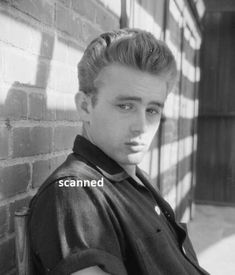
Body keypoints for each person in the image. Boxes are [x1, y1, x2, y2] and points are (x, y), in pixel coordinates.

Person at [28, 29, 209, 275]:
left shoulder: (132, 177)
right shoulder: (74, 192)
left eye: (152, 110)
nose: (142, 126)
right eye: (125, 106)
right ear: (85, 106)